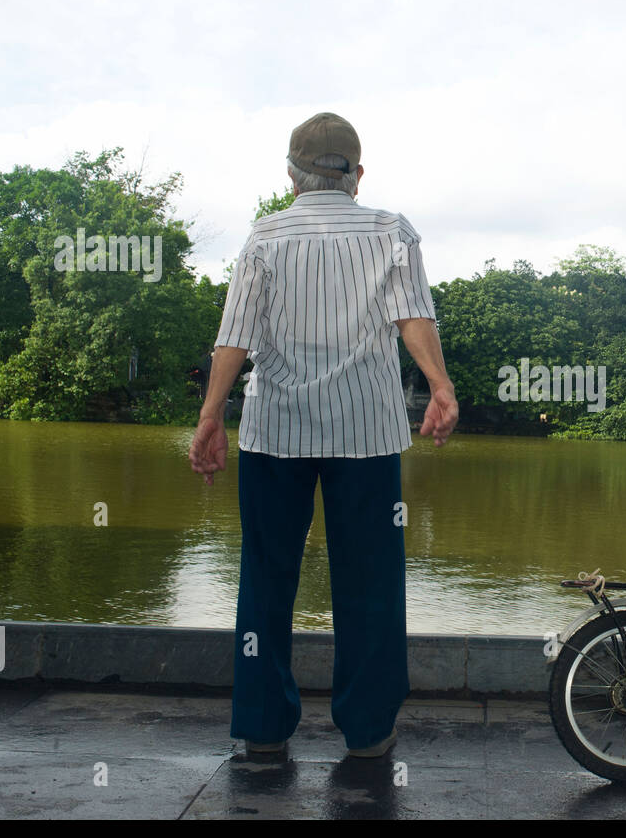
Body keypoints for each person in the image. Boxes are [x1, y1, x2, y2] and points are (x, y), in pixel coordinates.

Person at [188, 112, 458, 759]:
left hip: (274, 431)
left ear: (291, 174)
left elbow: (236, 335)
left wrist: (209, 416)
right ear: (357, 175)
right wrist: (440, 385)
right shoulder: (389, 231)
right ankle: (368, 730)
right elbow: (412, 313)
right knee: (370, 584)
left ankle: (261, 725)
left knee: (265, 578)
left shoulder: (264, 237)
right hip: (364, 433)